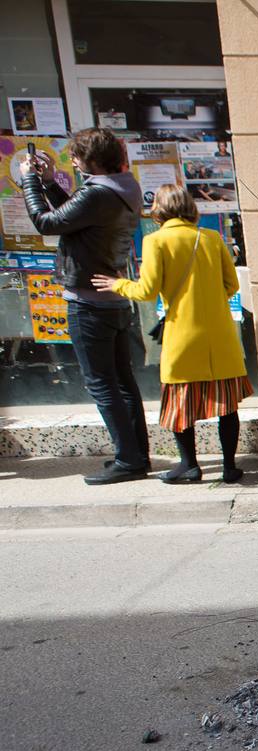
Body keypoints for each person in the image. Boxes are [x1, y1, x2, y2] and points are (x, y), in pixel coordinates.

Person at [91, 185, 252, 484]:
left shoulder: (155, 241)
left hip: (182, 337)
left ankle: (189, 465)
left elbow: (147, 290)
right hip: (220, 337)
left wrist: (117, 284)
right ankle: (230, 467)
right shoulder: (212, 238)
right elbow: (232, 285)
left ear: (160, 210)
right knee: (226, 405)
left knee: (181, 407)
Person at [21, 127, 147, 485]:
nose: (73, 163)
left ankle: (129, 460)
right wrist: (49, 182)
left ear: (91, 160)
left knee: (102, 384)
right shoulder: (123, 188)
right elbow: (75, 218)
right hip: (113, 299)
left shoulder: (97, 194)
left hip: (88, 303)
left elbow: (47, 223)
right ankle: (136, 454)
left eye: (76, 158)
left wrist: (29, 181)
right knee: (122, 382)